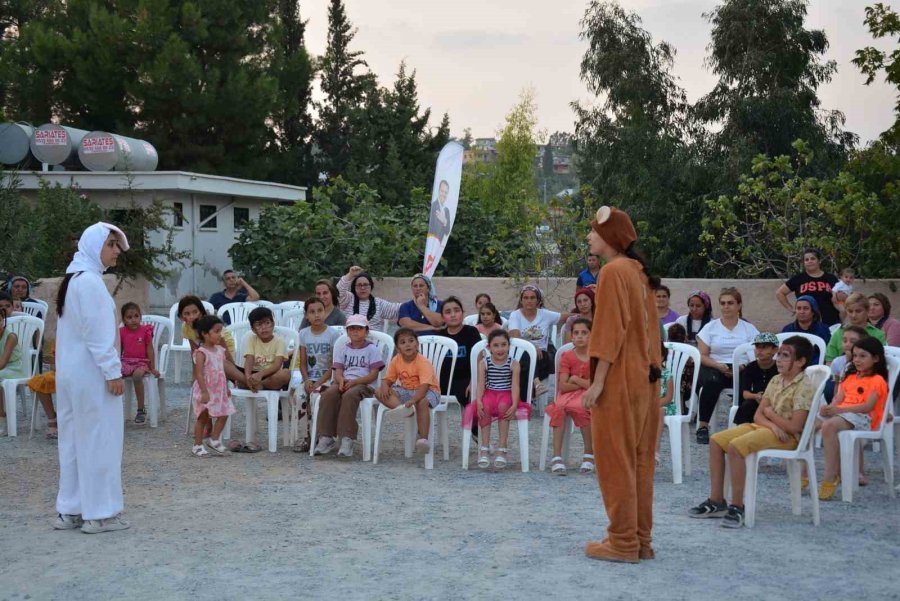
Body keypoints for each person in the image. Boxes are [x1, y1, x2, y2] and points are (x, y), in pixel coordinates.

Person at [581, 205, 661, 563]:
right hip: (645, 379)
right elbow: (650, 333)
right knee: (640, 462)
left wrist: (597, 382)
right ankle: (640, 540)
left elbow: (609, 330)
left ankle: (622, 542)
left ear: (610, 237)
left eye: (594, 232)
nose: (589, 237)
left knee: (615, 461)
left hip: (620, 380)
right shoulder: (638, 271)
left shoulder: (612, 271)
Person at [687, 336, 815, 528]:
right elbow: (758, 415)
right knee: (716, 440)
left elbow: (795, 427)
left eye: (785, 356)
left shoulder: (804, 386)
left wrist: (770, 415)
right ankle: (716, 500)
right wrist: (772, 423)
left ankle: (737, 506)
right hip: (769, 428)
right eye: (779, 355)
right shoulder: (776, 380)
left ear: (800, 361)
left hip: (789, 437)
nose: (778, 359)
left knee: (736, 446)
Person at [54, 221, 130, 534]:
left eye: (117, 245)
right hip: (92, 375)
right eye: (111, 244)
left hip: (72, 375)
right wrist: (113, 371)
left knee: (73, 441)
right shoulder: (90, 283)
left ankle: (70, 509)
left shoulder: (73, 280)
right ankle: (100, 513)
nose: (116, 251)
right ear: (93, 246)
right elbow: (98, 334)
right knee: (100, 440)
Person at [818, 336, 890, 501]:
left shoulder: (877, 380)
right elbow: (838, 398)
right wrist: (829, 408)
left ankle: (831, 474)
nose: (857, 360)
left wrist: (839, 410)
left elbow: (867, 407)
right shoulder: (850, 377)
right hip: (844, 414)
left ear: (876, 358)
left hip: (864, 418)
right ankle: (803, 471)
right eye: (855, 355)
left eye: (863, 356)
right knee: (810, 422)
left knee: (829, 426)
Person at [695, 288, 760, 444]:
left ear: (739, 305)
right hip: (716, 365)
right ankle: (703, 427)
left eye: (730, 303)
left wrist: (742, 366)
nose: (726, 307)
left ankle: (741, 425)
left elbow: (757, 352)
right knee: (711, 382)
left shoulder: (749, 328)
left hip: (742, 366)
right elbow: (702, 355)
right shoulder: (710, 328)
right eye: (723, 303)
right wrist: (718, 366)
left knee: (747, 384)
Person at [314, 315, 384, 458]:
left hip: (364, 384)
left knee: (349, 396)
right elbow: (338, 372)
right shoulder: (343, 349)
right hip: (345, 382)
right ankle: (326, 437)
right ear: (347, 332)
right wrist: (340, 381)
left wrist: (355, 382)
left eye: (359, 328)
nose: (355, 331)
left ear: (366, 331)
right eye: (352, 329)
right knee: (328, 394)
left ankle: (347, 438)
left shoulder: (372, 349)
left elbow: (373, 375)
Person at [464, 329, 528, 469]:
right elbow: (481, 384)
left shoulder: (513, 363)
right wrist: (478, 400)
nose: (500, 349)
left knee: (503, 406)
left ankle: (502, 447)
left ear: (509, 346)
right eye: (496, 345)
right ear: (489, 347)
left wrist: (515, 404)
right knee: (485, 407)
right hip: (490, 393)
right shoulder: (484, 363)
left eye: (504, 345)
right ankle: (484, 447)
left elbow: (515, 386)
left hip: (506, 393)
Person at [375, 328, 441, 453]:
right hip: (406, 390)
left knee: (422, 402)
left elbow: (424, 386)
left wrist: (414, 400)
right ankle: (405, 410)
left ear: (417, 344)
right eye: (403, 342)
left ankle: (423, 439)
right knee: (379, 392)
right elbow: (388, 379)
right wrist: (385, 386)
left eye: (411, 341)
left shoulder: (423, 362)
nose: (408, 344)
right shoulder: (396, 360)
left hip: (429, 391)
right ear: (398, 348)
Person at [545, 318, 595, 475]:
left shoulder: (595, 357)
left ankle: (589, 453)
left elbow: (595, 385)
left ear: (592, 335)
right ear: (571, 336)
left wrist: (576, 379)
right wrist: (583, 383)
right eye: (576, 333)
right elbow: (563, 386)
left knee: (580, 406)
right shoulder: (567, 356)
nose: (580, 336)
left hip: (588, 395)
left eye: (584, 333)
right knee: (559, 407)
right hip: (567, 394)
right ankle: (557, 456)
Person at [291, 297, 341, 453]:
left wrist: (318, 383)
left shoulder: (333, 334)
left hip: (327, 379)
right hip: (310, 379)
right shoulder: (303, 334)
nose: (317, 315)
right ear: (306, 316)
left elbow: (334, 365)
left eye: (320, 310)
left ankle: (320, 436)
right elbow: (303, 363)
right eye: (312, 312)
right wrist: (306, 380)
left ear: (325, 312)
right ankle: (305, 437)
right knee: (299, 396)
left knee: (315, 398)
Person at [190, 315, 235, 457]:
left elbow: (222, 371)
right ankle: (197, 445)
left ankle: (214, 439)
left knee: (224, 413)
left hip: (218, 389)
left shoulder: (220, 350)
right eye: (216, 331)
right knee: (203, 417)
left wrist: (226, 387)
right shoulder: (201, 353)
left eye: (221, 331)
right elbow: (199, 374)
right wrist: (204, 391)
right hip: (206, 389)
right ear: (205, 333)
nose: (220, 334)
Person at [507, 284, 563, 398]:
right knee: (525, 356)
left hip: (541, 356)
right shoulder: (515, 315)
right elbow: (515, 336)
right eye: (526, 298)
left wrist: (588, 314)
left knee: (526, 366)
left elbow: (566, 317)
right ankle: (536, 383)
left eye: (532, 298)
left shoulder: (545, 314)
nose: (529, 301)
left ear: (538, 300)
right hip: (520, 354)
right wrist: (532, 346)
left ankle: (525, 397)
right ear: (521, 300)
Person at [178, 295, 246, 388]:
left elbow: (226, 355)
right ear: (181, 317)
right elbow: (194, 353)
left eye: (195, 312)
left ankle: (244, 381)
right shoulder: (185, 328)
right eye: (187, 314)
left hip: (224, 350)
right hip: (206, 352)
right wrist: (195, 377)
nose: (192, 316)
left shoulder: (210, 327)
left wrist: (234, 375)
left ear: (201, 312)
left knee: (218, 364)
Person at [435, 297, 482, 419]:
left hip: (465, 379)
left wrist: (474, 381)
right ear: (442, 317)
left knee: (471, 395)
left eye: (456, 310)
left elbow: (479, 358)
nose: (453, 315)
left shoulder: (471, 332)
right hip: (444, 381)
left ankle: (472, 427)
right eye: (448, 312)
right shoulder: (440, 336)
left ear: (462, 313)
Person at [775, 248, 840, 326]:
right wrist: (791, 309)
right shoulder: (798, 278)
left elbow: (841, 297)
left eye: (813, 259)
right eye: (806, 260)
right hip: (806, 323)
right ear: (804, 263)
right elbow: (780, 293)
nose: (809, 261)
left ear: (819, 261)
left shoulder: (831, 278)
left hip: (831, 321)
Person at [119, 302, 159, 424]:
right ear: (124, 320)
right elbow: (119, 349)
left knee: (137, 376)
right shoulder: (121, 332)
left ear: (140, 317)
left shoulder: (145, 331)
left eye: (136, 316)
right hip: (126, 361)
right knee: (113, 375)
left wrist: (152, 368)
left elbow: (150, 349)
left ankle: (141, 409)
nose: (133, 320)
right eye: (129, 317)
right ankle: (114, 410)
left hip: (142, 362)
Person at [732, 333, 780, 425]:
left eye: (764, 347)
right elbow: (745, 394)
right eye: (757, 347)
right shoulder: (750, 367)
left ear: (775, 350)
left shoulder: (779, 367)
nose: (760, 350)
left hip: (775, 401)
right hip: (755, 400)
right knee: (747, 405)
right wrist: (756, 396)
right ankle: (742, 429)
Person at [824, 293, 886, 363]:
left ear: (867, 310)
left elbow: (880, 361)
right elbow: (829, 360)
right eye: (850, 311)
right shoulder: (839, 332)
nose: (854, 315)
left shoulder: (878, 335)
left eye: (858, 311)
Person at [337, 266, 401, 333]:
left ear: (371, 287)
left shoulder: (379, 303)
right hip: (350, 338)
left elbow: (399, 308)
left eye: (366, 285)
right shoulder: (348, 299)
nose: (362, 288)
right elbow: (339, 290)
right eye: (359, 285)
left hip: (374, 338)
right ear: (354, 287)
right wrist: (350, 274)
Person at [241, 307, 290, 392]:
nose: (264, 327)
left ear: (273, 324)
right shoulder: (252, 339)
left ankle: (261, 385)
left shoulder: (280, 341)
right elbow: (249, 360)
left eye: (267, 323)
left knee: (286, 374)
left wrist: (261, 374)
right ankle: (251, 383)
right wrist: (248, 377)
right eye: (259, 325)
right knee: (235, 374)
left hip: (271, 375)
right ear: (253, 330)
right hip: (254, 374)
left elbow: (277, 365)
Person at [780, 295, 832, 363]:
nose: (802, 311)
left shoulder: (823, 329)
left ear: (813, 312)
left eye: (806, 308)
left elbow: (828, 353)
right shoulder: (787, 330)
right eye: (799, 308)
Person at [0, 307, 27, 436]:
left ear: (3, 320)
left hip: (15, 368)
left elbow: (3, 363)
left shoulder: (11, 336)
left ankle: (2, 417)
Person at [28, 340, 57, 438]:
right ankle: (52, 419)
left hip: (82, 374)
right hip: (61, 372)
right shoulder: (60, 337)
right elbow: (53, 365)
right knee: (39, 381)